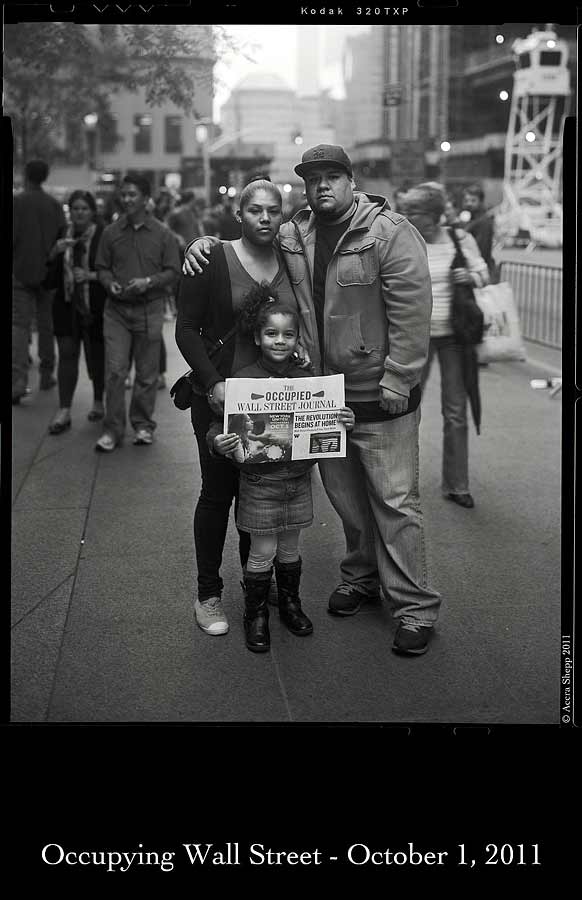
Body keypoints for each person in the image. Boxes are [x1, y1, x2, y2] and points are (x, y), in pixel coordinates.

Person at [184, 144, 442, 656]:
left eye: (332, 176)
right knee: (347, 502)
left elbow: (414, 310)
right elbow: (247, 235)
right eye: (312, 178)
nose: (321, 186)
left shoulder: (390, 233)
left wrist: (399, 377)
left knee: (394, 502)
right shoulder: (295, 234)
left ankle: (414, 607)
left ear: (351, 181)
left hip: (381, 394)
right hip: (322, 399)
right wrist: (204, 241)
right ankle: (360, 578)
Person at [175, 177, 310, 639]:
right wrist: (212, 384)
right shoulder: (211, 257)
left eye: (274, 210)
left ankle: (259, 578)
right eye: (256, 210)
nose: (266, 218)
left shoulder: (293, 261)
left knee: (263, 492)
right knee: (218, 495)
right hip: (217, 398)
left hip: (275, 400)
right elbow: (186, 329)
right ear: (240, 213)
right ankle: (208, 594)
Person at [208, 284, 356, 652]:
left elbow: (328, 421)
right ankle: (255, 614)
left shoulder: (309, 381)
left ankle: (291, 602)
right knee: (262, 550)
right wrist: (218, 442)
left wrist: (343, 419)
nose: (279, 341)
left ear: (297, 339)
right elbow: (219, 426)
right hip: (259, 482)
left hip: (298, 480)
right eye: (271, 334)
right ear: (258, 337)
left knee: (291, 548)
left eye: (288, 335)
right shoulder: (242, 380)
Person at [402, 183, 489, 509]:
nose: (408, 217)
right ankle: (401, 482)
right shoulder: (405, 239)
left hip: (453, 335)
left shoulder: (459, 239)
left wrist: (470, 276)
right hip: (415, 335)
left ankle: (457, 484)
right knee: (406, 409)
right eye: (407, 210)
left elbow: (484, 275)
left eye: (415, 212)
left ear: (436, 214)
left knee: (455, 412)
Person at [94, 173, 181, 451]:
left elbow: (173, 271)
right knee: (116, 371)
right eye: (124, 194)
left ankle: (143, 425)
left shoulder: (162, 234)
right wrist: (109, 284)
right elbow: (102, 268)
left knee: (146, 374)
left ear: (146, 198)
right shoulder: (111, 233)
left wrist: (148, 282)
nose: (127, 199)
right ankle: (112, 429)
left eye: (133, 194)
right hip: (116, 311)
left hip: (150, 309)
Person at [47, 190, 107, 434]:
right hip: (66, 305)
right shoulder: (63, 234)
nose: (79, 213)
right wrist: (54, 253)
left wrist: (90, 276)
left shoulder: (103, 235)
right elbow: (48, 279)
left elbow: (113, 270)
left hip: (96, 306)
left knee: (97, 356)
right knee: (67, 355)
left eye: (84, 208)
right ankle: (64, 410)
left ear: (92, 211)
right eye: (74, 209)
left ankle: (98, 401)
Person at [12, 159, 66, 403]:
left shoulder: (16, 202)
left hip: (20, 271)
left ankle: (19, 380)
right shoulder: (54, 205)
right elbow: (62, 236)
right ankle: (47, 373)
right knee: (47, 325)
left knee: (19, 326)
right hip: (48, 272)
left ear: (26, 175)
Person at [461, 183, 497, 280]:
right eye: (466, 200)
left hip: (480, 272)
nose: (469, 203)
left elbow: (482, 249)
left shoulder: (483, 222)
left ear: (480, 201)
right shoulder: (471, 220)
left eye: (473, 200)